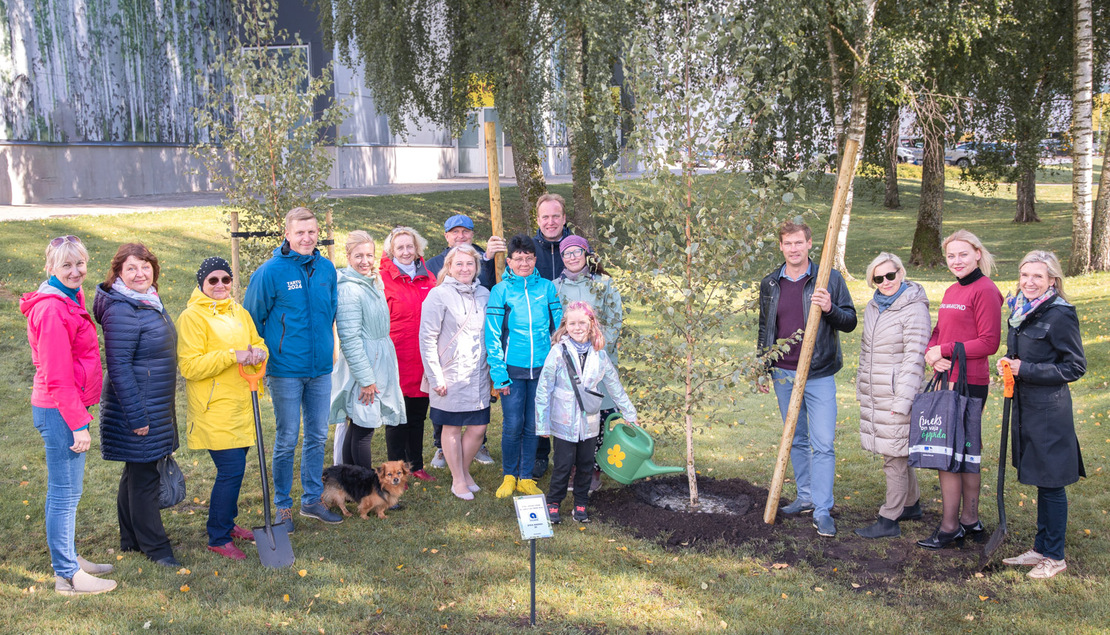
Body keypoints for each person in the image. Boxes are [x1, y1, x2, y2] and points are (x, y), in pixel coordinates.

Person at [20, 235, 116, 595]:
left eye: (80, 263)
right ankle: (66, 575)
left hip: (67, 406)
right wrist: (79, 424)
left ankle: (70, 557)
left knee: (69, 492)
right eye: (66, 265)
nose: (76, 271)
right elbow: (57, 376)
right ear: (50, 268)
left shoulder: (69, 297)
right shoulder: (51, 309)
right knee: (64, 494)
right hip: (60, 411)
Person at [243, 207, 342, 529]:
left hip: (320, 369)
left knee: (316, 435)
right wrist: (260, 355)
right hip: (285, 369)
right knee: (287, 437)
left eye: (312, 232)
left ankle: (311, 500)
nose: (306, 238)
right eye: (300, 232)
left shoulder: (326, 269)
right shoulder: (270, 272)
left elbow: (331, 312)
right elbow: (251, 319)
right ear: (286, 234)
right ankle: (282, 506)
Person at [757, 220, 857, 537]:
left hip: (818, 373)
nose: (794, 248)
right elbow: (765, 329)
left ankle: (823, 509)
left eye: (799, 242)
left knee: (823, 443)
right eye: (788, 243)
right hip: (784, 374)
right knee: (795, 438)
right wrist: (763, 366)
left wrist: (829, 308)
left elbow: (850, 321)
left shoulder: (829, 279)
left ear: (810, 243)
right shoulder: (771, 283)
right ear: (781, 246)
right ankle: (806, 497)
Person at [997, 251, 1086, 579]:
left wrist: (1026, 369)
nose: (1029, 282)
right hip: (1025, 407)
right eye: (1025, 275)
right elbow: (1020, 352)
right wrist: (1008, 361)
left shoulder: (1060, 314)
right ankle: (1040, 548)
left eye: (1037, 276)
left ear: (1052, 280)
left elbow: (1075, 366)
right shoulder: (1020, 310)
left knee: (1051, 483)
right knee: (1040, 479)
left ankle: (1055, 556)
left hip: (1050, 411)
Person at [93, 243, 181, 567]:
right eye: (131, 268)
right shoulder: (121, 310)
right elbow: (118, 367)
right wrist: (138, 416)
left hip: (151, 401)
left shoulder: (145, 301)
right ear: (118, 273)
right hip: (139, 406)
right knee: (145, 477)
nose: (140, 273)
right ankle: (156, 549)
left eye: (145, 266)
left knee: (135, 473)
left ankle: (130, 541)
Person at [918, 229, 1003, 549]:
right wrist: (931, 351)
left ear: (977, 253)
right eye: (951, 256)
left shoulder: (985, 290)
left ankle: (950, 526)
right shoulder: (953, 290)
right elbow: (941, 331)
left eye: (963, 254)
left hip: (970, 383)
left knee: (951, 454)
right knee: (961, 452)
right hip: (947, 379)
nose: (956, 261)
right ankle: (969, 521)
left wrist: (946, 350)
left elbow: (988, 342)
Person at [178, 257, 267, 560]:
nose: (220, 286)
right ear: (201, 283)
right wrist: (233, 355)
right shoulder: (192, 317)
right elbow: (190, 366)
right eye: (212, 280)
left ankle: (227, 525)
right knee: (231, 470)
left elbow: (257, 342)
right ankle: (217, 536)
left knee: (236, 470)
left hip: (242, 404)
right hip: (214, 408)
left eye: (225, 280)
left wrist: (258, 352)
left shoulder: (239, 312)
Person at [536, 301, 637, 524]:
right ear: (565, 325)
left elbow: (614, 385)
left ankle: (580, 502)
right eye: (572, 323)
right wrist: (542, 424)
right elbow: (544, 388)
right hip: (563, 421)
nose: (577, 327)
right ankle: (554, 502)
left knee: (585, 464)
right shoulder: (557, 352)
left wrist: (629, 413)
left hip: (589, 420)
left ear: (591, 325)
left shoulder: (599, 355)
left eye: (582, 322)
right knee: (562, 464)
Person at [853, 252, 931, 539]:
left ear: (901, 272)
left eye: (890, 275)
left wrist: (903, 400)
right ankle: (910, 504)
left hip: (899, 393)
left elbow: (915, 358)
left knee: (894, 457)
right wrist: (863, 386)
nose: (885, 282)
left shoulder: (914, 308)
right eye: (878, 277)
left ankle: (889, 518)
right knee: (895, 450)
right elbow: (866, 352)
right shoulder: (874, 306)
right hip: (877, 392)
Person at [423, 213, 503, 469]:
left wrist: (490, 259)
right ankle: (444, 450)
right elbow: (428, 335)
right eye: (454, 232)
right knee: (450, 420)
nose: (460, 236)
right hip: (449, 360)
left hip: (477, 361)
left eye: (465, 232)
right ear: (446, 236)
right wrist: (435, 375)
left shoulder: (484, 273)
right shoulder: (434, 271)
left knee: (478, 421)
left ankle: (473, 451)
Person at [486, 234, 563, 498]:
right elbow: (493, 335)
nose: (524, 263)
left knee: (533, 425)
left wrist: (556, 366)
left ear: (534, 260)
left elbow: (559, 329)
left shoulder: (547, 289)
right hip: (512, 370)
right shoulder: (501, 291)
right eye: (518, 258)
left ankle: (526, 477)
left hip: (541, 370)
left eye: (529, 258)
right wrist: (499, 374)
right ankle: (509, 476)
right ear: (509, 261)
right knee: (512, 424)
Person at [419, 245, 492, 499]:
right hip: (448, 372)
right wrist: (435, 375)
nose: (464, 269)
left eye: (469, 264)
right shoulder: (438, 295)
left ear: (476, 267)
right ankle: (458, 480)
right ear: (449, 266)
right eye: (459, 264)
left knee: (478, 427)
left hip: (478, 372)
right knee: (451, 426)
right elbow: (426, 338)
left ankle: (462, 470)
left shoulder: (484, 294)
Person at [330, 231, 406, 471]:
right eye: (358, 256)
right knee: (364, 427)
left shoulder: (372, 281)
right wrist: (365, 379)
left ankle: (351, 482)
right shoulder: (349, 290)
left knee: (360, 426)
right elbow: (350, 338)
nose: (365, 261)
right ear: (348, 256)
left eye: (369, 255)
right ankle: (365, 487)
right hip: (364, 363)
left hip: (377, 358)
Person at [553, 235, 623, 493]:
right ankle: (570, 465)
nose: (572, 257)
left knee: (597, 410)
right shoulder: (555, 287)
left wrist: (601, 346)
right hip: (568, 360)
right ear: (562, 258)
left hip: (598, 356)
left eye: (577, 252)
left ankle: (593, 466)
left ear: (586, 254)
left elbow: (615, 319)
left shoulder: (604, 283)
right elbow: (553, 322)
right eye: (567, 253)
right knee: (569, 410)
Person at [379, 226, 437, 481]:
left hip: (422, 358)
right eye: (400, 247)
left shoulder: (429, 278)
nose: (405, 251)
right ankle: (395, 471)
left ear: (417, 250)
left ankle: (415, 465)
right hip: (395, 358)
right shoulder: (381, 278)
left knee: (417, 415)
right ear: (391, 251)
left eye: (409, 246)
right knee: (396, 417)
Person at [530, 192, 572, 478]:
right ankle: (540, 454)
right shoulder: (529, 249)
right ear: (538, 219)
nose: (551, 221)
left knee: (569, 396)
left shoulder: (578, 247)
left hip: (573, 335)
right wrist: (486, 260)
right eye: (545, 216)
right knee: (541, 396)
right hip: (539, 337)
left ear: (564, 218)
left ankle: (569, 455)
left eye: (556, 216)